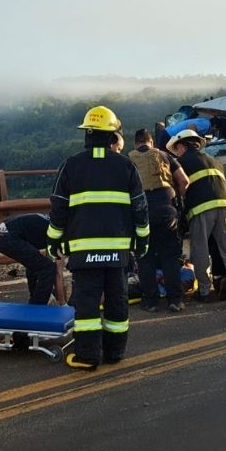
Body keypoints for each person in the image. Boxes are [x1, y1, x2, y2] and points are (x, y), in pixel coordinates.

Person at [47, 106, 149, 370]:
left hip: (83, 251)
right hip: (118, 250)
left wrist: (53, 240)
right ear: (112, 135)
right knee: (117, 300)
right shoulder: (125, 165)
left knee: (87, 303)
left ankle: (88, 355)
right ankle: (115, 353)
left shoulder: (71, 165)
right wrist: (143, 239)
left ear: (88, 134)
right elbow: (140, 206)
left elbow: (58, 207)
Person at [167, 129, 226, 305]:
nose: (177, 153)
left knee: (201, 251)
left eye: (177, 150)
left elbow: (178, 189)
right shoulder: (215, 161)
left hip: (200, 210)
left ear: (182, 145)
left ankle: (204, 292)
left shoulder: (180, 163)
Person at [128, 129, 190, 313]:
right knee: (170, 256)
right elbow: (184, 181)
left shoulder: (128, 160)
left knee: (145, 257)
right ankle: (175, 300)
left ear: (135, 144)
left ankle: (151, 301)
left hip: (142, 212)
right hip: (166, 210)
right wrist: (175, 198)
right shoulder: (165, 155)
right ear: (151, 142)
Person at [0, 213, 57, 305]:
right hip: (7, 237)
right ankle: (39, 306)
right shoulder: (60, 229)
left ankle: (34, 299)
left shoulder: (51, 221)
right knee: (48, 268)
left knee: (35, 263)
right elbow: (59, 263)